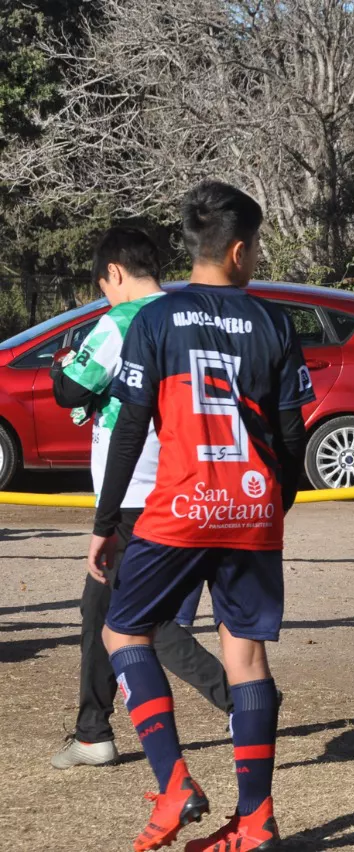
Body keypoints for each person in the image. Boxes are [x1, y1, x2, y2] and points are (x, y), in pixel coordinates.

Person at [88, 181, 313, 852]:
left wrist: (104, 523)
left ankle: (175, 783)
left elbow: (131, 429)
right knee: (245, 654)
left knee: (123, 631)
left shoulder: (155, 319)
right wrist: (273, 504)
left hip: (181, 510)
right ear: (240, 251)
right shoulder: (274, 322)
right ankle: (256, 819)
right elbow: (293, 436)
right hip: (252, 511)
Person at [49, 227, 231, 770]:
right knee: (101, 609)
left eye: (103, 286)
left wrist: (62, 366)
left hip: (133, 491)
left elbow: (71, 389)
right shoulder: (186, 317)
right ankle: (93, 731)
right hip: (185, 480)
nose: (104, 296)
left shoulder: (121, 320)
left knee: (136, 621)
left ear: (115, 273)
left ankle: (241, 699)